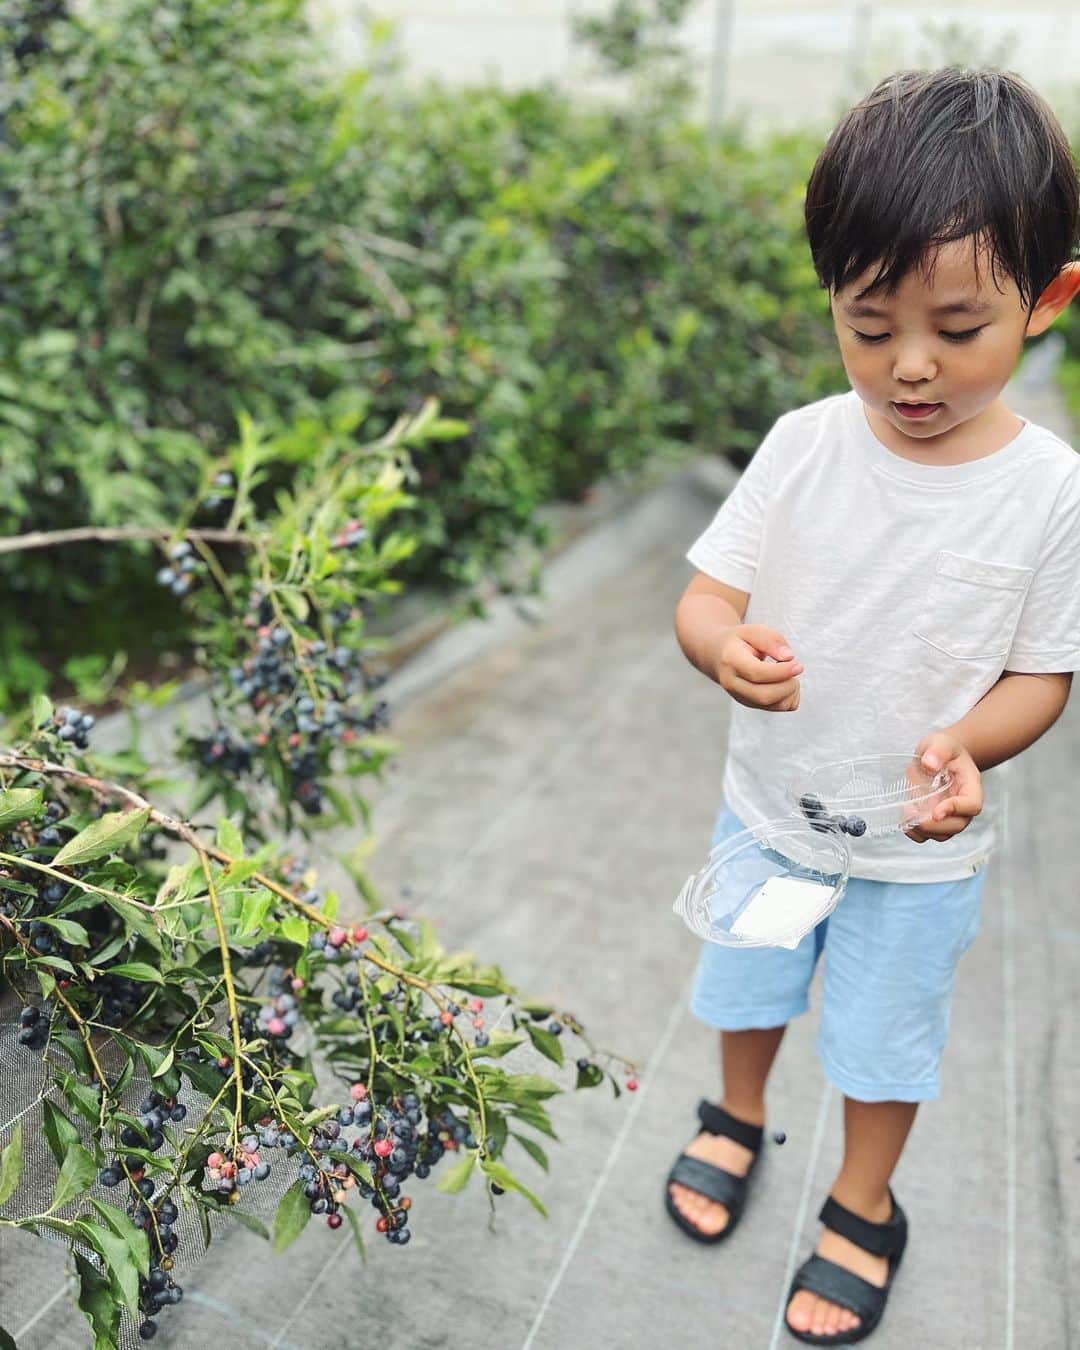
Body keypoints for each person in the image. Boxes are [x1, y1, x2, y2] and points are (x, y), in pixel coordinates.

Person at [665, 67, 1080, 1345]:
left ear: (1051, 302)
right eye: (868, 322)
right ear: (832, 302)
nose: (909, 367)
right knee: (744, 988)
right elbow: (703, 600)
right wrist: (724, 647)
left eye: (958, 331)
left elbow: (1042, 677)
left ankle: (863, 1198)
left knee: (884, 1042)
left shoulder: (1048, 492)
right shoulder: (802, 443)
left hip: (913, 854)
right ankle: (735, 1116)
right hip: (768, 816)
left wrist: (967, 744)